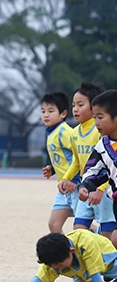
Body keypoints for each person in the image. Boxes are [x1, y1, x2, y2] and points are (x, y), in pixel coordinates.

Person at [58, 81, 115, 238]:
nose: (75, 109)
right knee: (79, 228)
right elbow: (80, 163)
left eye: (80, 104)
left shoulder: (99, 133)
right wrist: (67, 178)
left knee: (109, 234)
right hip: (86, 188)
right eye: (73, 105)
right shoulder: (75, 133)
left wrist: (100, 190)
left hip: (103, 192)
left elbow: (107, 168)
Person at [17, 230, 117, 282]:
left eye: (60, 265)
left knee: (97, 271)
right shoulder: (53, 258)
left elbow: (95, 272)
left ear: (71, 251)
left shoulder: (85, 242)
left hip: (108, 261)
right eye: (55, 267)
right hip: (83, 271)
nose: (58, 269)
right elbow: (40, 277)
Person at [77, 89, 117, 246]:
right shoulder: (102, 146)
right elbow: (95, 170)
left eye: (100, 117)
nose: (96, 122)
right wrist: (85, 185)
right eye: (94, 118)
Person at [40, 91, 77, 233]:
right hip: (63, 189)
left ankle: (104, 243)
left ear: (63, 114)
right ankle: (66, 255)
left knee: (81, 226)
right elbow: (64, 156)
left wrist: (74, 179)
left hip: (75, 186)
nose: (46, 115)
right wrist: (53, 168)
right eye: (43, 111)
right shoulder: (52, 132)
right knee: (54, 225)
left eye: (51, 111)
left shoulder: (64, 132)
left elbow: (79, 155)